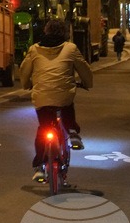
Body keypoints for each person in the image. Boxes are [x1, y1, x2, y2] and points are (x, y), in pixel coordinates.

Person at [20, 18, 94, 183]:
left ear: (45, 31)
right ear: (65, 33)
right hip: (64, 95)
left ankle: (40, 166)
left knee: (43, 129)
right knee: (66, 104)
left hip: (42, 97)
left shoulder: (34, 49)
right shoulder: (71, 48)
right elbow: (84, 69)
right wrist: (88, 83)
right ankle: (73, 133)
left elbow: (24, 72)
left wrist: (26, 85)